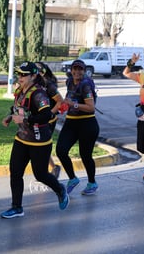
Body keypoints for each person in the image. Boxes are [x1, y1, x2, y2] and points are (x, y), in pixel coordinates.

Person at [0, 61, 69, 219]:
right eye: (19, 74)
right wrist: (10, 117)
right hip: (22, 138)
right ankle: (16, 207)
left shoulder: (38, 94)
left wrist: (26, 119)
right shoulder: (20, 90)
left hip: (39, 141)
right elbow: (18, 108)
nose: (20, 77)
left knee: (41, 175)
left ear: (33, 76)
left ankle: (59, 189)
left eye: (24, 75)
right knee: (15, 172)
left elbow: (45, 115)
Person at [56, 59, 100, 195]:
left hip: (87, 123)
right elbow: (69, 98)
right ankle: (72, 179)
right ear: (71, 70)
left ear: (84, 70)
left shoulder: (85, 85)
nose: (77, 72)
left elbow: (91, 108)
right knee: (61, 150)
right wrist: (63, 106)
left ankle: (92, 182)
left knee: (85, 155)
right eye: (74, 69)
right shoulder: (69, 81)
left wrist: (73, 105)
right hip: (71, 122)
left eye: (80, 69)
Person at [35, 62, 63, 178]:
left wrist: (50, 114)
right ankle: (51, 169)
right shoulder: (35, 84)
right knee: (38, 146)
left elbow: (60, 101)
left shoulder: (48, 85)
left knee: (41, 146)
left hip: (49, 121)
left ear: (41, 73)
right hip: (39, 120)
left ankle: (48, 171)